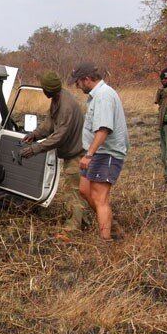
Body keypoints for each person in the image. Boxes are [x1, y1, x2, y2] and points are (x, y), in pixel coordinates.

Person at [20, 70, 87, 232]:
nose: (43, 91)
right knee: (75, 189)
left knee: (74, 191)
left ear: (48, 90)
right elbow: (50, 122)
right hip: (72, 152)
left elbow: (59, 137)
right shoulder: (58, 98)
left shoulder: (66, 107)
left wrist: (35, 149)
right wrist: (35, 134)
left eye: (44, 88)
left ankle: (74, 226)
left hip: (76, 154)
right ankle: (82, 222)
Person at [69, 62, 129, 241]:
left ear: (87, 79)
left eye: (78, 82)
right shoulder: (97, 96)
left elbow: (103, 129)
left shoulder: (103, 96)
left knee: (99, 197)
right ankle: (112, 226)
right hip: (97, 152)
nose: (77, 86)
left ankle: (105, 241)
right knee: (84, 190)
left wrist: (89, 155)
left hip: (106, 152)